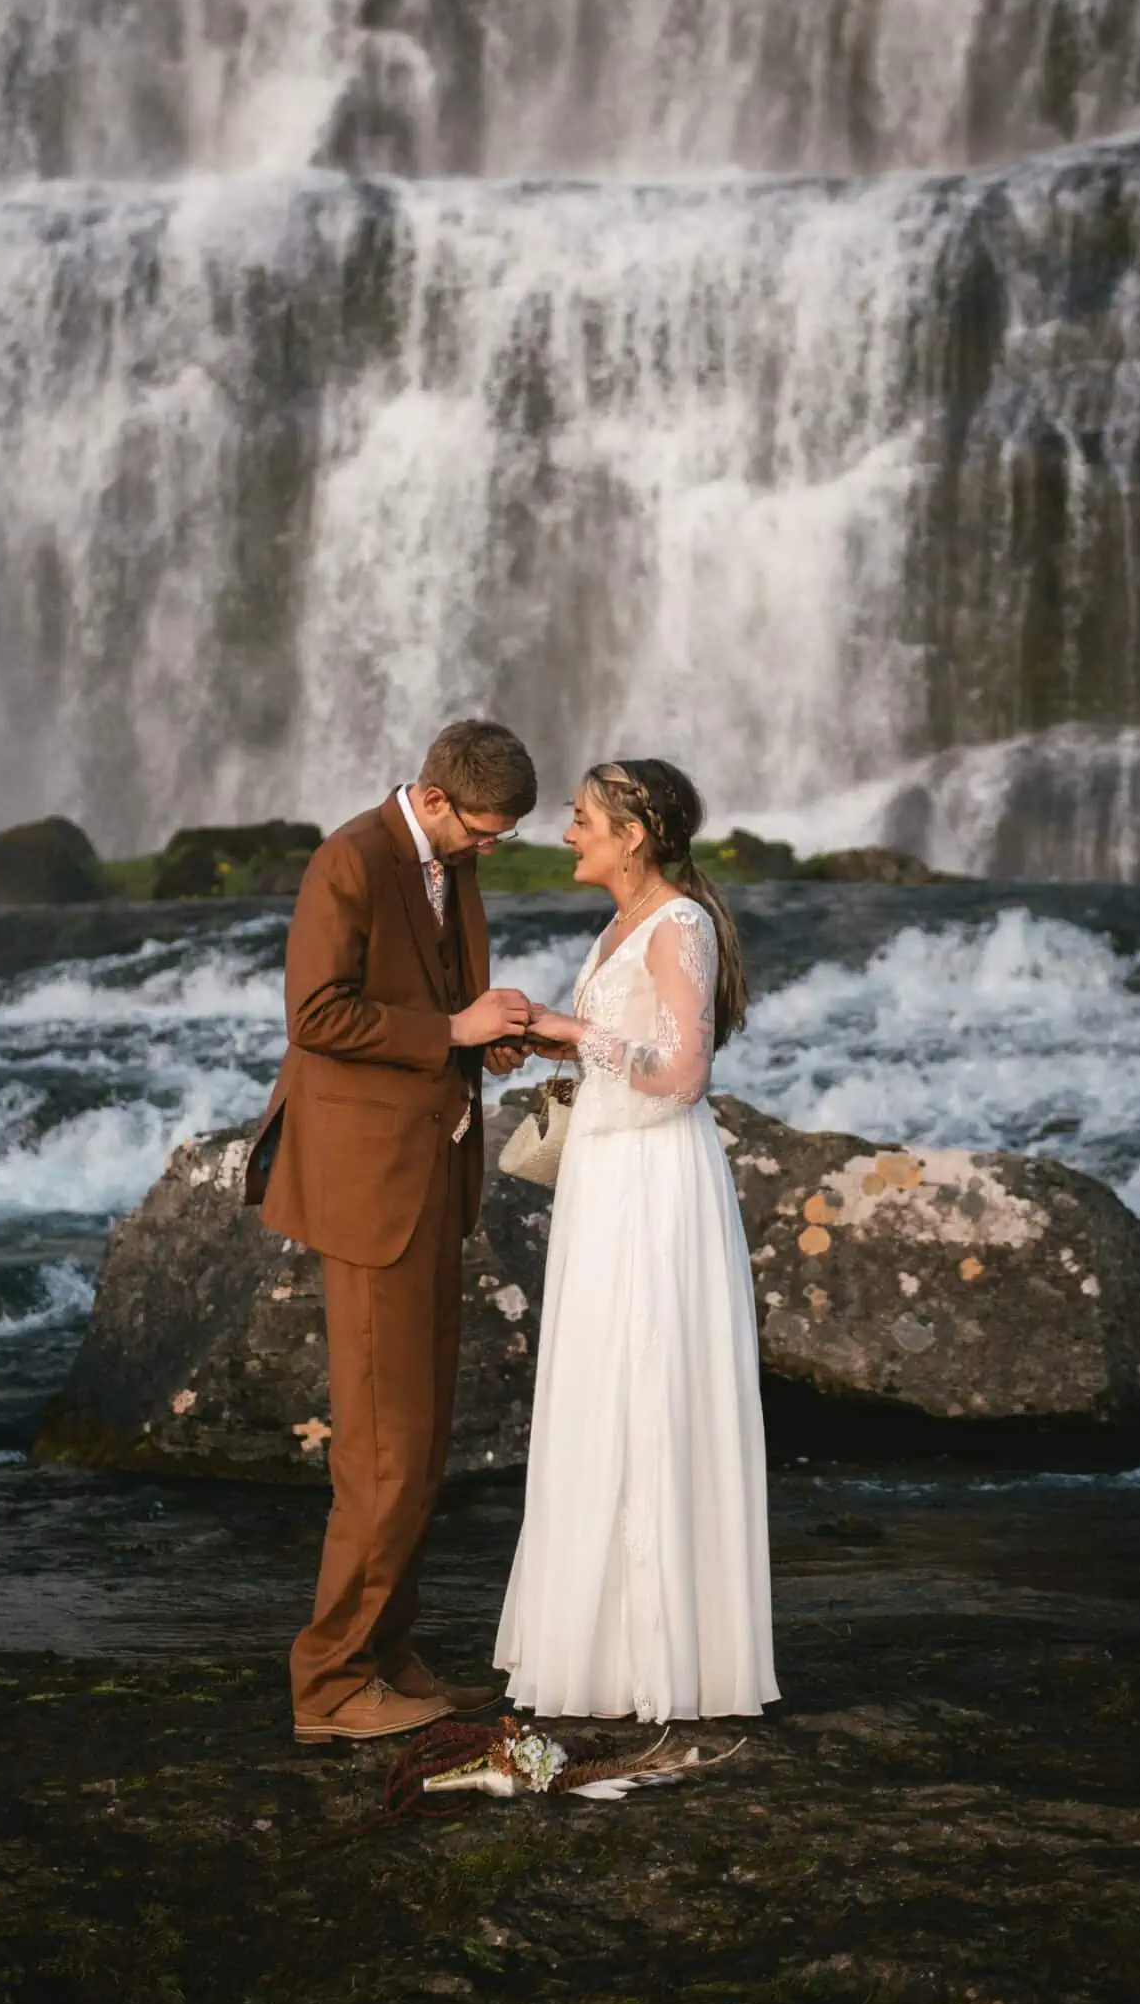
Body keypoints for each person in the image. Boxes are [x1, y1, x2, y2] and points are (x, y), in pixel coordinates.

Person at [245, 718, 539, 1743]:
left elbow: (432, 996)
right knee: (379, 1450)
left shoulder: (443, 861)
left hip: (425, 1177)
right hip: (369, 1191)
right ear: (442, 800)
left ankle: (388, 1653)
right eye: (488, 834)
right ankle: (328, 1685)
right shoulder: (349, 860)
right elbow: (315, 1015)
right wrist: (448, 1034)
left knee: (415, 1444)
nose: (491, 851)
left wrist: (482, 1042)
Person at [497, 758, 779, 1723]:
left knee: (647, 1388)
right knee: (598, 1394)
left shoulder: (680, 924)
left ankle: (661, 1660)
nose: (567, 834)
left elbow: (686, 1074)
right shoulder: (622, 924)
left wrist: (571, 1029)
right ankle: (601, 1653)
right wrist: (548, 1039)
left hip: (655, 1182)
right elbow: (625, 1047)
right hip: (607, 1174)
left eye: (581, 820)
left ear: (634, 834)